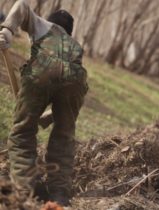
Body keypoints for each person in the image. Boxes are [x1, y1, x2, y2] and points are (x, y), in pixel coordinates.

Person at [0, 0, 88, 206]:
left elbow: (21, 4)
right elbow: (71, 94)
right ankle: (59, 194)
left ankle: (25, 188)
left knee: (22, 133)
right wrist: (48, 117)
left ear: (51, 22)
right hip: (76, 80)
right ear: (70, 32)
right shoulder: (75, 46)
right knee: (64, 136)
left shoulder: (43, 25)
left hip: (41, 73)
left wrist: (7, 30)